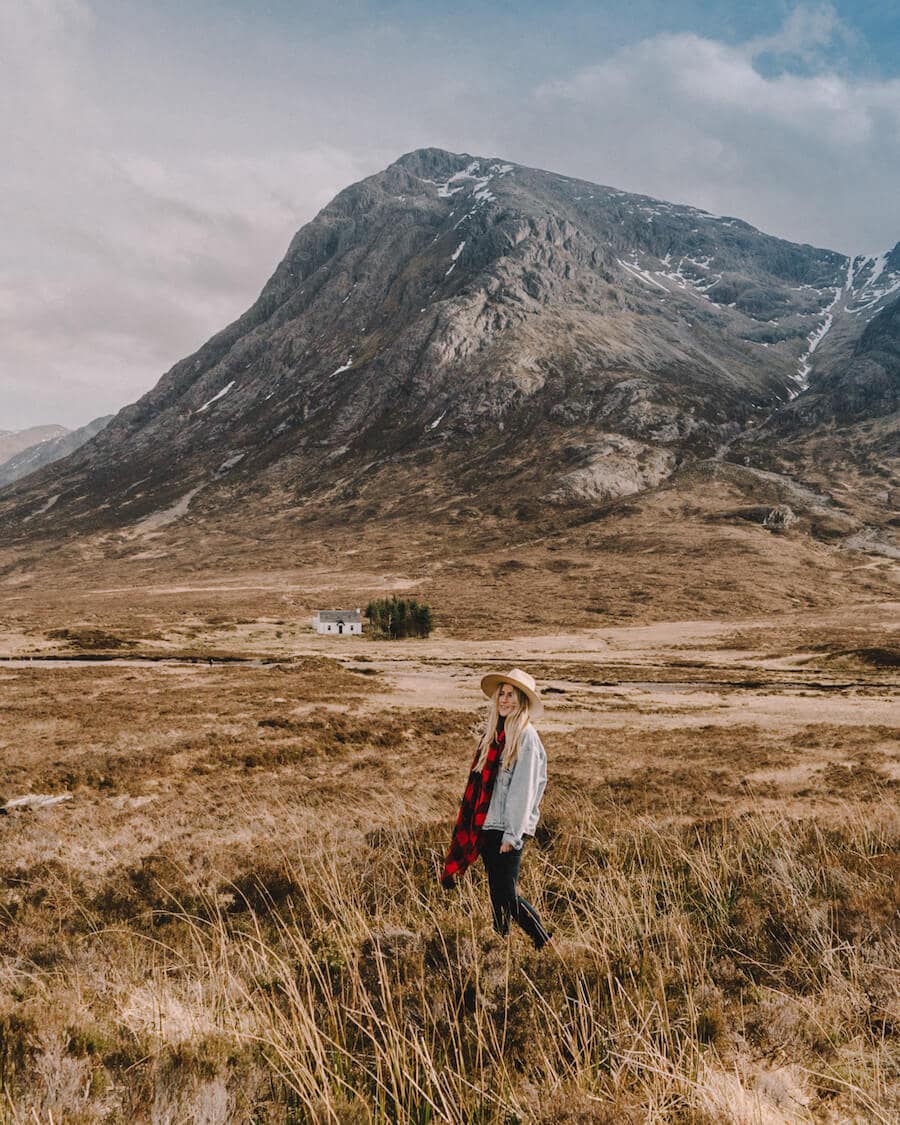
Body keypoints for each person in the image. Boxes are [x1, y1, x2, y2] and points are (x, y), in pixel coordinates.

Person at [440, 667, 551, 950]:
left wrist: (512, 836)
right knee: (497, 894)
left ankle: (544, 942)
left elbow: (523, 791)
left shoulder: (526, 737)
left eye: (511, 695)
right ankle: (499, 945)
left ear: (523, 701)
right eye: (501, 694)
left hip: (506, 830)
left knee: (507, 895)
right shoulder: (494, 736)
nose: (504, 700)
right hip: (487, 826)